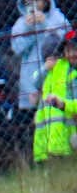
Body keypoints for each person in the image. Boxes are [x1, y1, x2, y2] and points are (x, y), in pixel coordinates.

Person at [14, 0, 71, 112]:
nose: (34, 4)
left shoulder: (57, 17)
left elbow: (67, 38)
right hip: (31, 75)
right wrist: (30, 30)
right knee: (36, 117)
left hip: (57, 71)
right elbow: (17, 48)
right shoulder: (21, 23)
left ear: (46, 0)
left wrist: (45, 25)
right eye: (29, 1)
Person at [32, 28, 77, 161]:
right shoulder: (56, 74)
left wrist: (63, 104)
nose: (71, 55)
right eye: (67, 51)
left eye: (74, 50)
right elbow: (35, 81)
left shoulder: (71, 74)